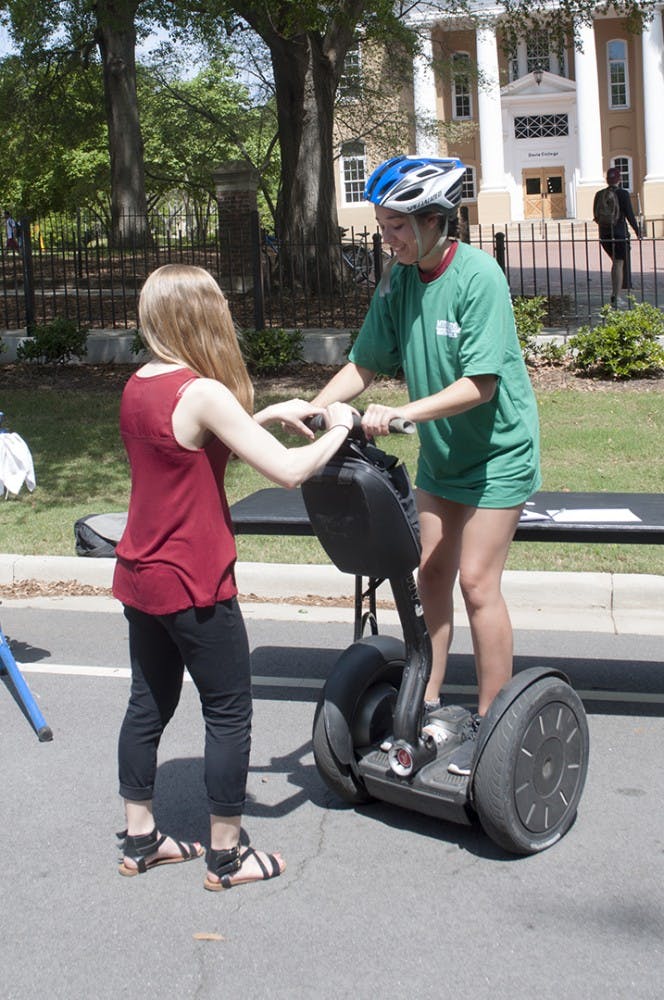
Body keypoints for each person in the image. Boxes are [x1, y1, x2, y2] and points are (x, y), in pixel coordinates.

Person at [113, 263, 355, 889]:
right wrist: (342, 428)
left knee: (149, 703)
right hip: (195, 579)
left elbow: (192, 445)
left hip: (141, 575)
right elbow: (290, 472)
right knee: (227, 712)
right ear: (202, 314)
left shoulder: (140, 382)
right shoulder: (203, 392)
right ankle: (227, 856)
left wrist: (269, 413)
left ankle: (140, 841)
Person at [312, 155, 541, 776]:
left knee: (475, 582)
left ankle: (494, 724)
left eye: (397, 227)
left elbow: (481, 385)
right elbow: (364, 362)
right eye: (384, 225)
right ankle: (428, 703)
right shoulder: (397, 281)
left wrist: (402, 411)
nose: (387, 238)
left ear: (437, 220)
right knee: (429, 575)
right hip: (445, 456)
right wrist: (315, 407)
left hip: (499, 454)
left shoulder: (478, 277)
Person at [593, 166, 641, 308]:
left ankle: (616, 293)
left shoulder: (599, 194)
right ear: (619, 179)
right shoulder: (623, 194)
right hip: (619, 234)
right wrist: (638, 231)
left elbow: (596, 215)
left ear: (607, 180)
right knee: (618, 264)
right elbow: (629, 215)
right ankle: (616, 296)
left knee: (616, 263)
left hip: (605, 234)